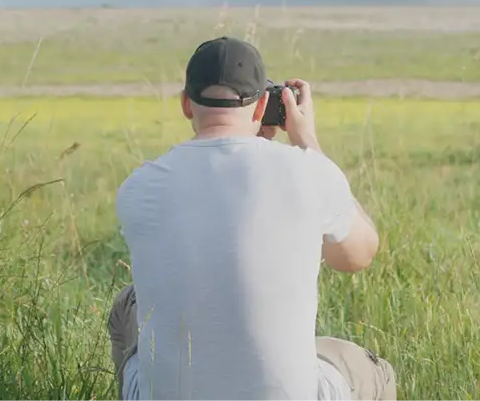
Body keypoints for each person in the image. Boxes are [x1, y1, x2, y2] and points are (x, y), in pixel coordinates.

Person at [107, 36, 396, 401]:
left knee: (128, 305)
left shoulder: (140, 186)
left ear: (185, 104)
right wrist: (308, 144)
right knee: (372, 371)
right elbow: (357, 256)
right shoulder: (306, 172)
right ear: (263, 106)